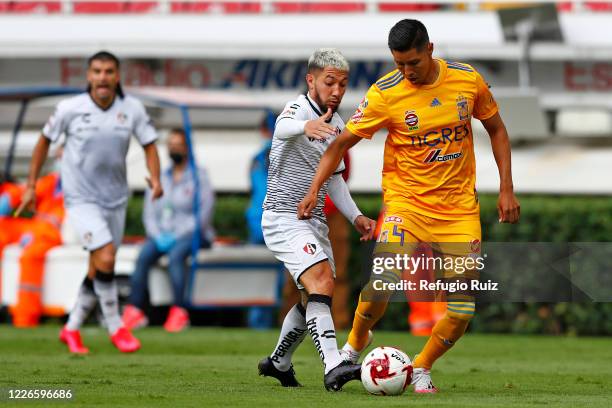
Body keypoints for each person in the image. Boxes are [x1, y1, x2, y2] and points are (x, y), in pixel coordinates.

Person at [298, 19, 520, 393]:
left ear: (430, 49)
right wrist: (313, 190)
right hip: (406, 204)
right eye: (398, 64)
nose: (406, 72)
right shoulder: (386, 93)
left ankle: (420, 367)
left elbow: (497, 129)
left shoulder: (467, 80)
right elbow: (338, 145)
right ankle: (353, 345)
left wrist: (506, 189)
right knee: (382, 282)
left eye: (412, 63)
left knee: (463, 310)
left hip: (458, 211)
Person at [16, 50, 163, 354]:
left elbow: (150, 144)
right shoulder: (71, 108)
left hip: (115, 200)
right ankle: (116, 326)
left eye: (108, 71)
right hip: (80, 198)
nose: (102, 77)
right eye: (96, 71)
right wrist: (30, 185)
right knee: (107, 257)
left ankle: (70, 329)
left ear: (117, 76)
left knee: (98, 267)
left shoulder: (131, 108)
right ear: (88, 76)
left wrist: (156, 178)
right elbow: (44, 141)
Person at [256, 48, 376, 392]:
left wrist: (355, 217)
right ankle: (334, 365)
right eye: (329, 82)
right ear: (311, 81)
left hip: (314, 221)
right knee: (322, 281)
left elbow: (334, 179)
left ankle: (278, 363)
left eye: (343, 84)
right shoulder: (297, 109)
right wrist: (305, 126)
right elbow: (281, 129)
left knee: (312, 296)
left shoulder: (337, 125)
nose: (337, 91)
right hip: (283, 217)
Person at [122, 128, 215, 333]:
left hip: (193, 235)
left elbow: (204, 214)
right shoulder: (160, 176)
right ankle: (135, 309)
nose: (174, 149)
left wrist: (179, 235)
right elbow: (149, 213)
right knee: (144, 256)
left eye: (178, 145)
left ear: (187, 148)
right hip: (163, 234)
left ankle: (179, 311)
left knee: (176, 256)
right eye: (171, 145)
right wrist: (157, 235)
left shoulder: (199, 177)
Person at [0, 158, 64, 327]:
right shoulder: (53, 180)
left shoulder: (82, 185)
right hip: (37, 228)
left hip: (51, 233)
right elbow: (26, 190)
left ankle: (25, 319)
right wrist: (9, 198)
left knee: (30, 256)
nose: (59, 157)